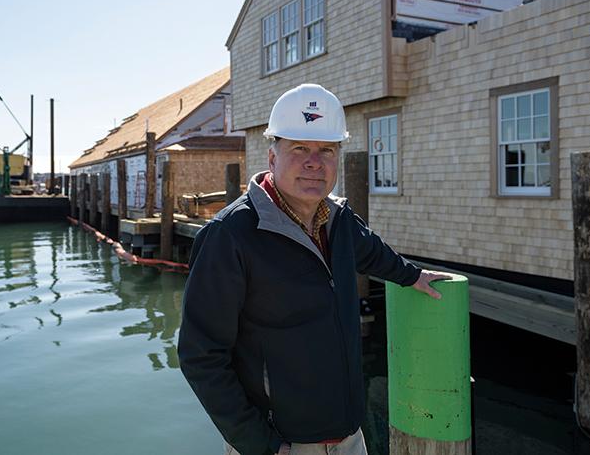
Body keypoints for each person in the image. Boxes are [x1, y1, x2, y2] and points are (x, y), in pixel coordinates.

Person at [178, 84, 453, 455]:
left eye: (326, 150)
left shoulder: (338, 221)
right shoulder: (229, 237)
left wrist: (412, 276)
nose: (314, 162)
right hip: (284, 444)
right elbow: (201, 355)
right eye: (299, 148)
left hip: (349, 435)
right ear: (272, 157)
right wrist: (259, 444)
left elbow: (371, 251)